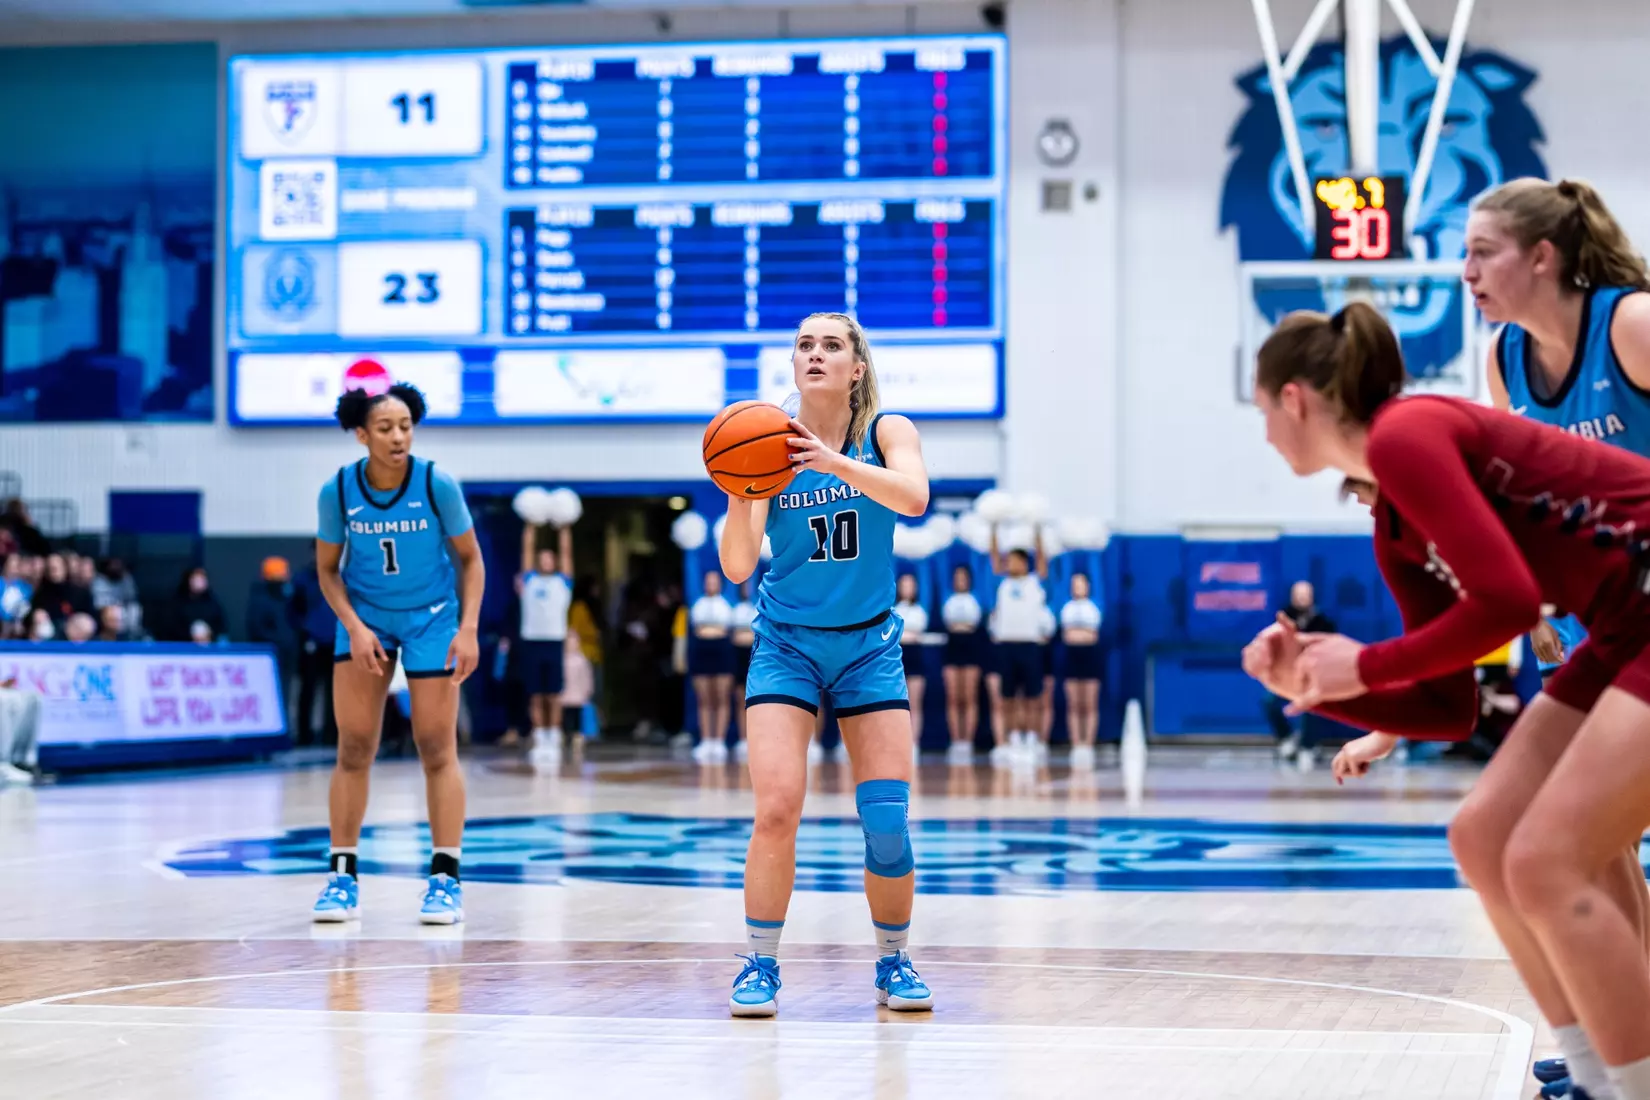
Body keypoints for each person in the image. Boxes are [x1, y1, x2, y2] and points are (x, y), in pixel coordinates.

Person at [1243, 301, 1650, 1100]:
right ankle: (1599, 1077)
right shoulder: (1393, 526)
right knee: (1481, 835)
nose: (1264, 435)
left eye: (1263, 413)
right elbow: (1447, 708)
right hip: (1621, 621)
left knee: (1544, 860)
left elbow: (1508, 601)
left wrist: (1361, 666)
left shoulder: (1407, 432)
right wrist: (1315, 688)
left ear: (1294, 398)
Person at [1470, 176, 1650, 1095]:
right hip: (1593, 624)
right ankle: (1628, 1035)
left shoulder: (1632, 326)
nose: (1466, 274)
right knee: (1588, 844)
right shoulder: (1504, 358)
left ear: (1543, 257)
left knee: (1563, 841)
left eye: (1482, 253)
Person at [717, 312, 933, 1017]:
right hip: (788, 645)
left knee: (887, 818)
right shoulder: (765, 443)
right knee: (777, 807)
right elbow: (737, 564)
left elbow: (914, 497)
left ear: (856, 367)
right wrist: (741, 489)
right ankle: (760, 963)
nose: (815, 353)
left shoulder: (887, 431)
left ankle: (894, 960)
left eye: (831, 345)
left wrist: (832, 462)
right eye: (805, 345)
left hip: (868, 647)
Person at [311, 383, 484, 926]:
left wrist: (469, 629)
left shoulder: (436, 483)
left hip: (432, 618)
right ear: (362, 435)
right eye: (385, 428)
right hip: (366, 619)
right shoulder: (338, 490)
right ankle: (342, 878)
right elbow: (326, 571)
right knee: (354, 746)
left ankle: (445, 880)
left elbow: (472, 560)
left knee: (435, 745)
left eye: (406, 426)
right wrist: (354, 628)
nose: (398, 437)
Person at [988, 526, 1049, 766]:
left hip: (1029, 645)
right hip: (1006, 646)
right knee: (1008, 698)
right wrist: (994, 527)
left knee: (1033, 697)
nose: (1009, 564)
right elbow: (994, 559)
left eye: (1014, 560)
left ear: (1024, 563)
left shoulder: (1034, 583)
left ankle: (1032, 738)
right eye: (1008, 560)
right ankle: (1012, 738)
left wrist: (1037, 531)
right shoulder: (1001, 584)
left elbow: (1042, 562)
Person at [517, 521, 574, 767]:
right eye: (542, 558)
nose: (546, 561)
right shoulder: (529, 581)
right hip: (532, 641)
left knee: (554, 694)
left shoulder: (563, 583)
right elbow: (526, 551)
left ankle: (554, 736)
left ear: (555, 562)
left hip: (554, 641)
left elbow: (567, 554)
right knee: (535, 694)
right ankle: (540, 738)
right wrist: (530, 526)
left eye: (550, 558)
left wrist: (564, 529)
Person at [1263, 581, 1336, 769]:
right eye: (1299, 595)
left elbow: (1331, 649)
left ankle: (1308, 746)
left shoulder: (1323, 622)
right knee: (1269, 702)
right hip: (1288, 677)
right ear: (1292, 597)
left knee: (1313, 706)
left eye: (1306, 595)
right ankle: (1287, 739)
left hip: (1313, 678)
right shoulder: (1281, 621)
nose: (1303, 599)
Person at [940, 564, 985, 764]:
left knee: (969, 696)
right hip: (953, 645)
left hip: (971, 645)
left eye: (963, 577)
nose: (960, 581)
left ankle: (968, 741)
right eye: (957, 577)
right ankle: (956, 740)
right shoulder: (948, 599)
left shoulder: (975, 599)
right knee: (953, 697)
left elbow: (974, 623)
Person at [688, 570, 735, 764]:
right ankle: (706, 739)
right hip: (702, 650)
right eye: (708, 581)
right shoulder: (698, 605)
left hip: (721, 650)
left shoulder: (725, 606)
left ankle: (719, 741)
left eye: (714, 581)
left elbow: (726, 629)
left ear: (720, 584)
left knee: (721, 696)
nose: (711, 584)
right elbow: (697, 628)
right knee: (704, 698)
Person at [1059, 572, 1103, 770]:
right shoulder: (1067, 609)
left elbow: (1092, 635)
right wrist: (1080, 633)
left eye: (1081, 584)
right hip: (1072, 656)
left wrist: (1080, 634)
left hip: (1090, 655)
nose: (1078, 587)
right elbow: (1067, 634)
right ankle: (1076, 744)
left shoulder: (1093, 608)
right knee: (1074, 703)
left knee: (1089, 702)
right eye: (1075, 584)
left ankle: (1088, 744)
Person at [893, 573, 930, 757]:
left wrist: (905, 633)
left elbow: (918, 631)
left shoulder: (920, 611)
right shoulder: (893, 611)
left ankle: (914, 743)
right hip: (897, 658)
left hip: (915, 656)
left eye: (910, 585)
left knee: (914, 703)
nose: (907, 588)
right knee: (895, 704)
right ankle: (896, 743)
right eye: (904, 585)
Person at [729, 582, 757, 762]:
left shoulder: (759, 607)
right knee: (740, 698)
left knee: (756, 700)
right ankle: (742, 738)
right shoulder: (733, 609)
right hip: (738, 655)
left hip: (755, 653)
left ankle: (756, 739)